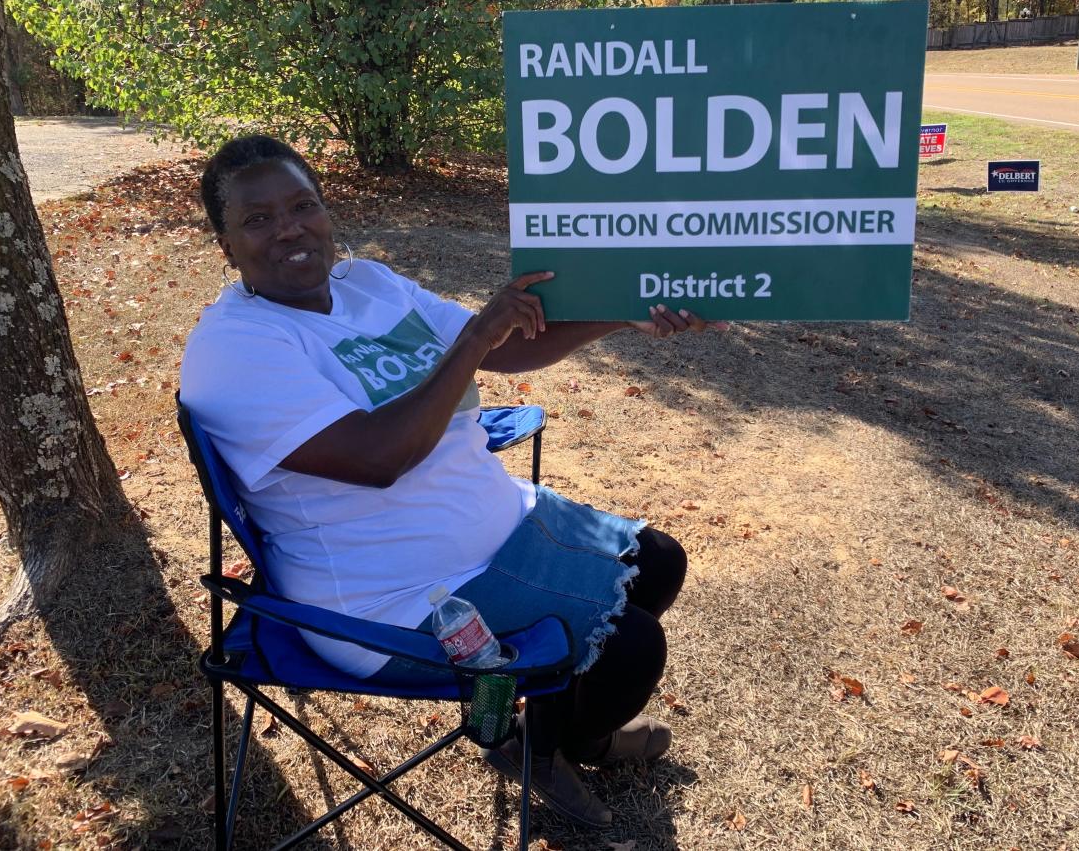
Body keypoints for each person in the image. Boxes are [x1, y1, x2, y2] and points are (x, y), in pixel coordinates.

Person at [179, 135, 726, 829]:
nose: (288, 228)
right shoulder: (236, 348)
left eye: (302, 205)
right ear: (224, 244)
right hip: (396, 599)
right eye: (257, 219)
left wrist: (630, 312)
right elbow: (381, 458)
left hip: (495, 528)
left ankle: (561, 742)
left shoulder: (367, 284)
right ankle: (546, 744)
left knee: (660, 562)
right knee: (634, 647)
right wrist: (472, 341)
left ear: (325, 210)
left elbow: (513, 342)